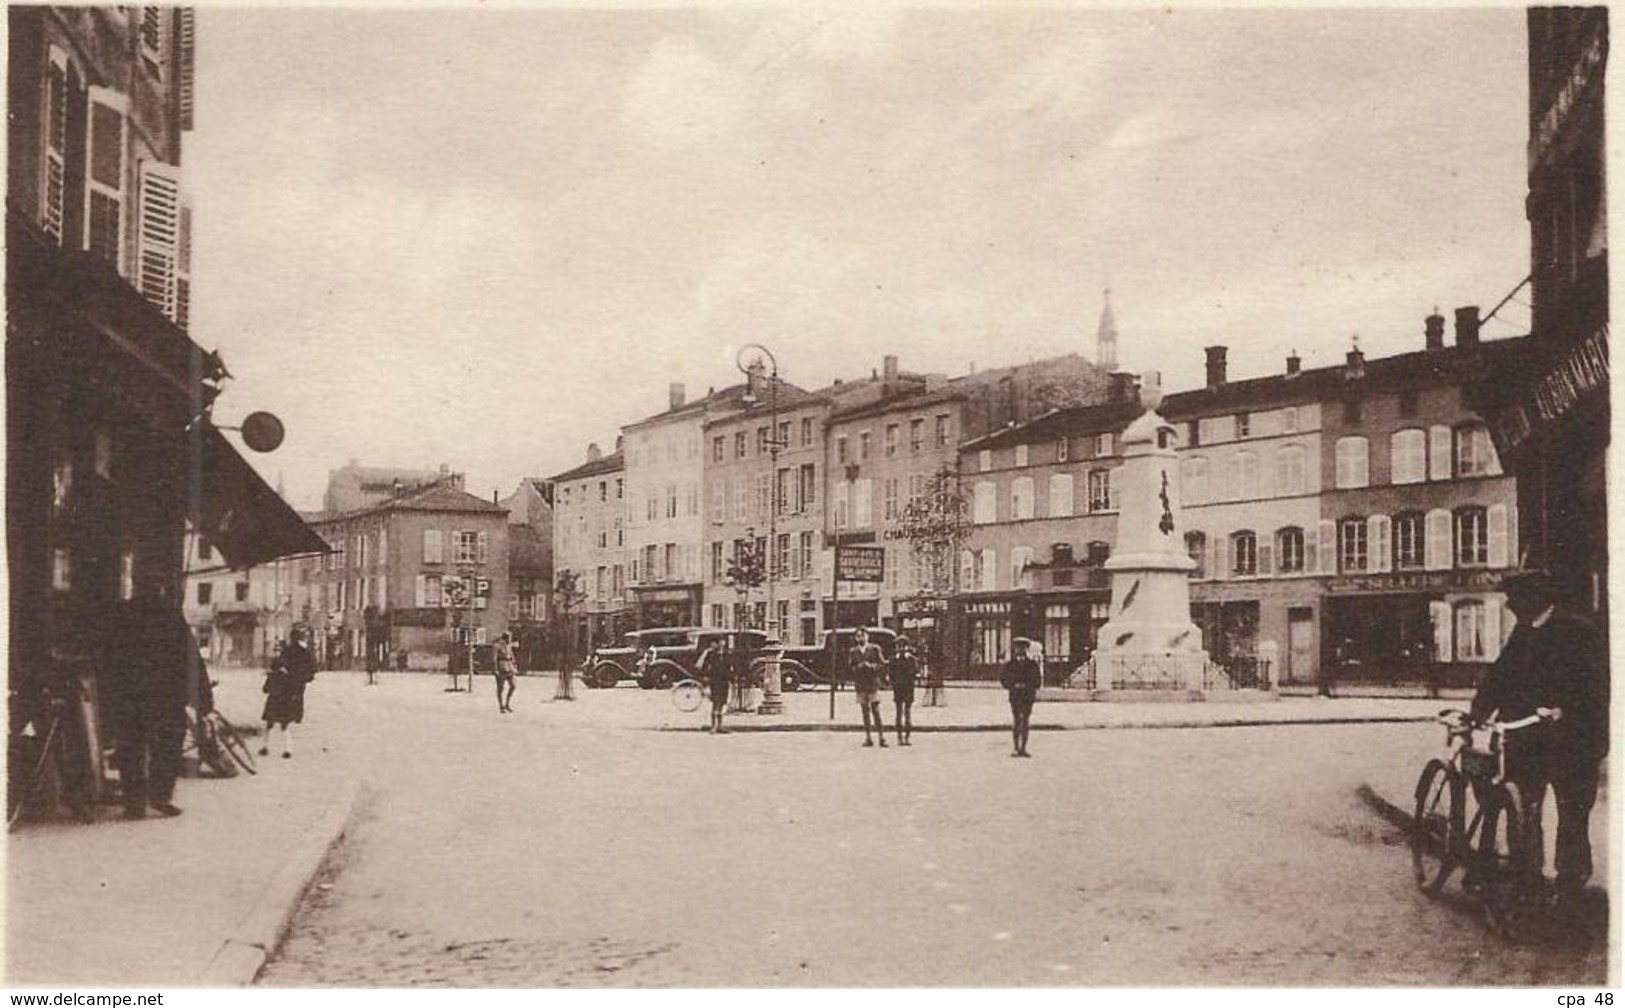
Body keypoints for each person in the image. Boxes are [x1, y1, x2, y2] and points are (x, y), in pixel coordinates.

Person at [1469, 570, 1609, 916]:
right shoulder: (1524, 631)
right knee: (1525, 812)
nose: (1510, 605)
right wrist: (1478, 711)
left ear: (1535, 599)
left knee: (1572, 815)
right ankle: (1528, 881)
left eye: (1514, 599)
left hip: (1574, 741)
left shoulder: (1579, 631)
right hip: (1530, 738)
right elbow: (1500, 676)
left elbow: (1599, 687)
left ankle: (1570, 887)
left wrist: (1566, 710)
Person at [106, 594, 197, 818]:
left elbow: (109, 656)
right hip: (162, 695)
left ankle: (136, 803)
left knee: (132, 748)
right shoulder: (170, 616)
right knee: (164, 747)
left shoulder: (124, 614)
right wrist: (200, 698)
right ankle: (157, 797)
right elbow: (190, 658)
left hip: (135, 694)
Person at [261, 626, 317, 759]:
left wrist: (279, 671)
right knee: (284, 721)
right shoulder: (305, 653)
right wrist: (300, 681)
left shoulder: (287, 652)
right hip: (291, 690)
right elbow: (311, 672)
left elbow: (275, 668)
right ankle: (287, 749)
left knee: (270, 721)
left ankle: (267, 747)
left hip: (279, 691)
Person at [1000, 638, 1041, 758]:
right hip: (1015, 696)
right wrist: (1013, 685)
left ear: (1026, 650)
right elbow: (1004, 680)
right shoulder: (1009, 665)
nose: (1020, 651)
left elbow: (1037, 681)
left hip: (1028, 696)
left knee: (1026, 721)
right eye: (1018, 648)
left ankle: (1023, 748)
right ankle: (1016, 748)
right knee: (1017, 720)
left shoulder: (1032, 665)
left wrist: (1026, 686)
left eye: (1023, 648)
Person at [850, 629, 887, 748]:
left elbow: (882, 664)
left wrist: (871, 666)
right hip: (860, 684)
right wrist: (858, 667)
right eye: (858, 636)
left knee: (876, 710)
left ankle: (881, 737)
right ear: (856, 638)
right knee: (865, 712)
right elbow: (850, 667)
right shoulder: (853, 651)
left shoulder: (875, 649)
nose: (861, 638)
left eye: (863, 635)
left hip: (872, 683)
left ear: (867, 636)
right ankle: (868, 737)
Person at [888, 636, 919, 746]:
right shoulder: (893, 660)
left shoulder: (911, 659)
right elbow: (890, 674)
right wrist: (894, 683)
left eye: (903, 646)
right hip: (898, 689)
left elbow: (915, 672)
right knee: (899, 713)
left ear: (907, 647)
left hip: (908, 688)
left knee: (907, 713)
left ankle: (907, 737)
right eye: (899, 646)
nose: (901, 648)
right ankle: (899, 737)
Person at [700, 636, 732, 734]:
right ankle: (713, 726)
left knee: (722, 703)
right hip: (715, 680)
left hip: (724, 681)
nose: (722, 644)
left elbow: (729, 667)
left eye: (724, 642)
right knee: (715, 703)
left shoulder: (727, 655)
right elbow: (704, 667)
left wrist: (731, 676)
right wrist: (706, 677)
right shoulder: (711, 654)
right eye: (720, 642)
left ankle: (720, 725)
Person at [494, 632, 518, 713]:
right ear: (505, 638)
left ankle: (507, 703)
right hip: (501, 668)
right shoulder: (497, 646)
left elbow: (512, 657)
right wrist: (495, 669)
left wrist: (514, 667)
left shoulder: (509, 646)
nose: (510, 639)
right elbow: (494, 659)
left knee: (513, 685)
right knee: (500, 688)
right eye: (509, 638)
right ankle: (501, 706)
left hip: (509, 668)